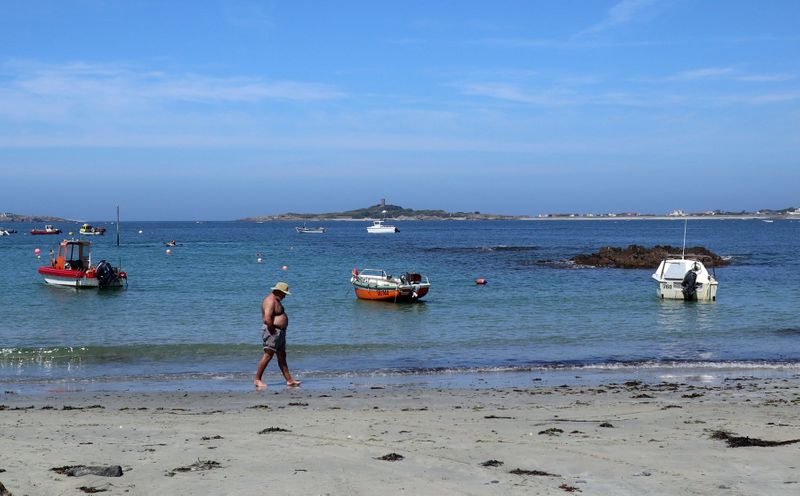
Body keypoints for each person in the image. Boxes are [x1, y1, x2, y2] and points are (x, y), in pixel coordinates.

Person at [254, 282, 301, 389]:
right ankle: (257, 379)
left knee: (282, 356)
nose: (285, 296)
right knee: (268, 355)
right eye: (284, 293)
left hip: (279, 332)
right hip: (272, 331)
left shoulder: (276, 300)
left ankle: (289, 380)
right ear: (278, 291)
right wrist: (272, 331)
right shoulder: (270, 301)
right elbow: (267, 318)